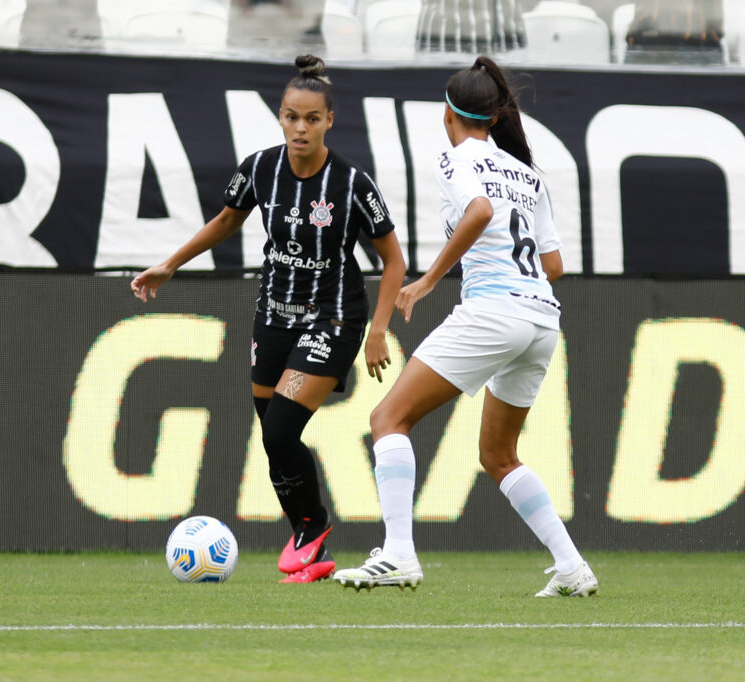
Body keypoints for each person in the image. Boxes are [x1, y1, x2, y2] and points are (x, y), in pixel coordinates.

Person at [132, 55, 406, 584]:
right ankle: (313, 547)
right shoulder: (260, 168)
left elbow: (392, 259)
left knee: (281, 431)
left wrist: (376, 330)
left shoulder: (352, 184)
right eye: (290, 116)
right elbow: (226, 221)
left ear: (329, 120)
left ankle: (311, 526)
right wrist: (170, 264)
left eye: (311, 118)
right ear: (280, 117)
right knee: (272, 434)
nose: (299, 127)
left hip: (333, 320)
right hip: (272, 319)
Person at [333, 56, 598, 598]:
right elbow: (554, 267)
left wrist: (429, 279)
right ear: (493, 116)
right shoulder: (527, 173)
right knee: (499, 456)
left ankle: (400, 554)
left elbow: (477, 212)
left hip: (494, 312)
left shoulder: (456, 158)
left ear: (448, 113)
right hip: (541, 319)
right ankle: (572, 567)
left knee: (388, 418)